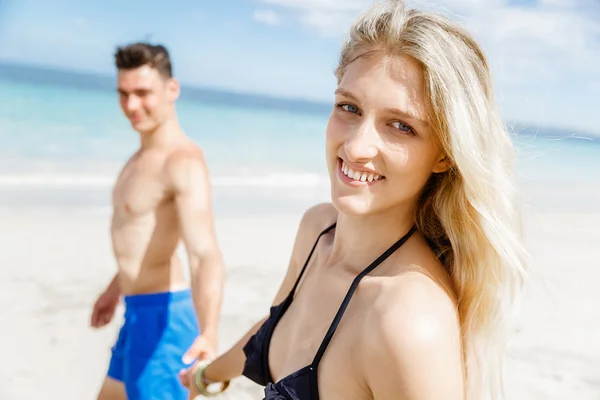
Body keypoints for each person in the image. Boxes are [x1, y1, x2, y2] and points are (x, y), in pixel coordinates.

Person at [181, 0, 529, 399]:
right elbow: (274, 327)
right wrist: (205, 376)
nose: (357, 145)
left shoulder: (407, 323)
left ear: (445, 153)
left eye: (400, 126)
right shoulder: (317, 230)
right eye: (349, 107)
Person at [90, 42, 226, 400]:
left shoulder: (182, 162)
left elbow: (204, 253)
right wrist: (115, 287)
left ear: (172, 90)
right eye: (123, 94)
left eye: (142, 93)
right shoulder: (139, 158)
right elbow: (144, 238)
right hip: (135, 313)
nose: (131, 106)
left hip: (164, 322)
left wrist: (209, 333)